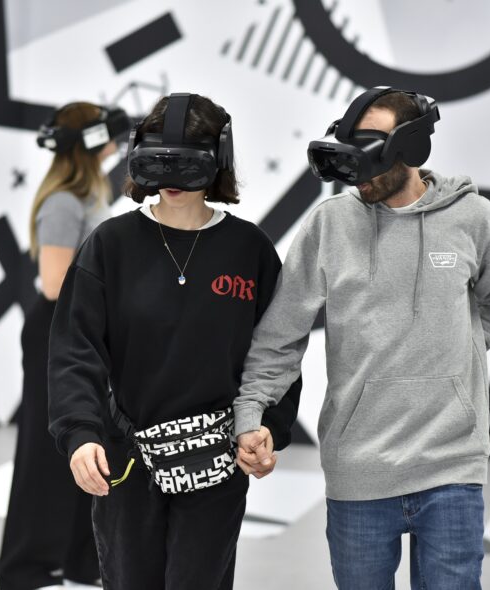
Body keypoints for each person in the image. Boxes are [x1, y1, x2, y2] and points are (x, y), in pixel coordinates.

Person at [234, 87, 490, 589]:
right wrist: (250, 413)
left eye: (372, 158)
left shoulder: (473, 218)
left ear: (412, 150)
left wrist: (457, 353)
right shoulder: (329, 224)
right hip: (358, 468)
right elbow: (281, 334)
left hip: (451, 464)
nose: (359, 177)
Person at [47, 93, 302, 590]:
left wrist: (268, 426)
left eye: (186, 163)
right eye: (159, 161)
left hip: (216, 463)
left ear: (217, 159)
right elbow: (75, 351)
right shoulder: (110, 245)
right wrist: (80, 434)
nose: (172, 179)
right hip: (127, 460)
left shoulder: (248, 249)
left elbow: (278, 353)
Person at [0, 101, 129, 589]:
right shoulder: (63, 202)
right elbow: (55, 284)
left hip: (80, 330)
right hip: (57, 329)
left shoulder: (87, 193)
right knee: (46, 448)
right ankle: (26, 567)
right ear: (91, 141)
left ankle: (80, 558)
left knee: (85, 439)